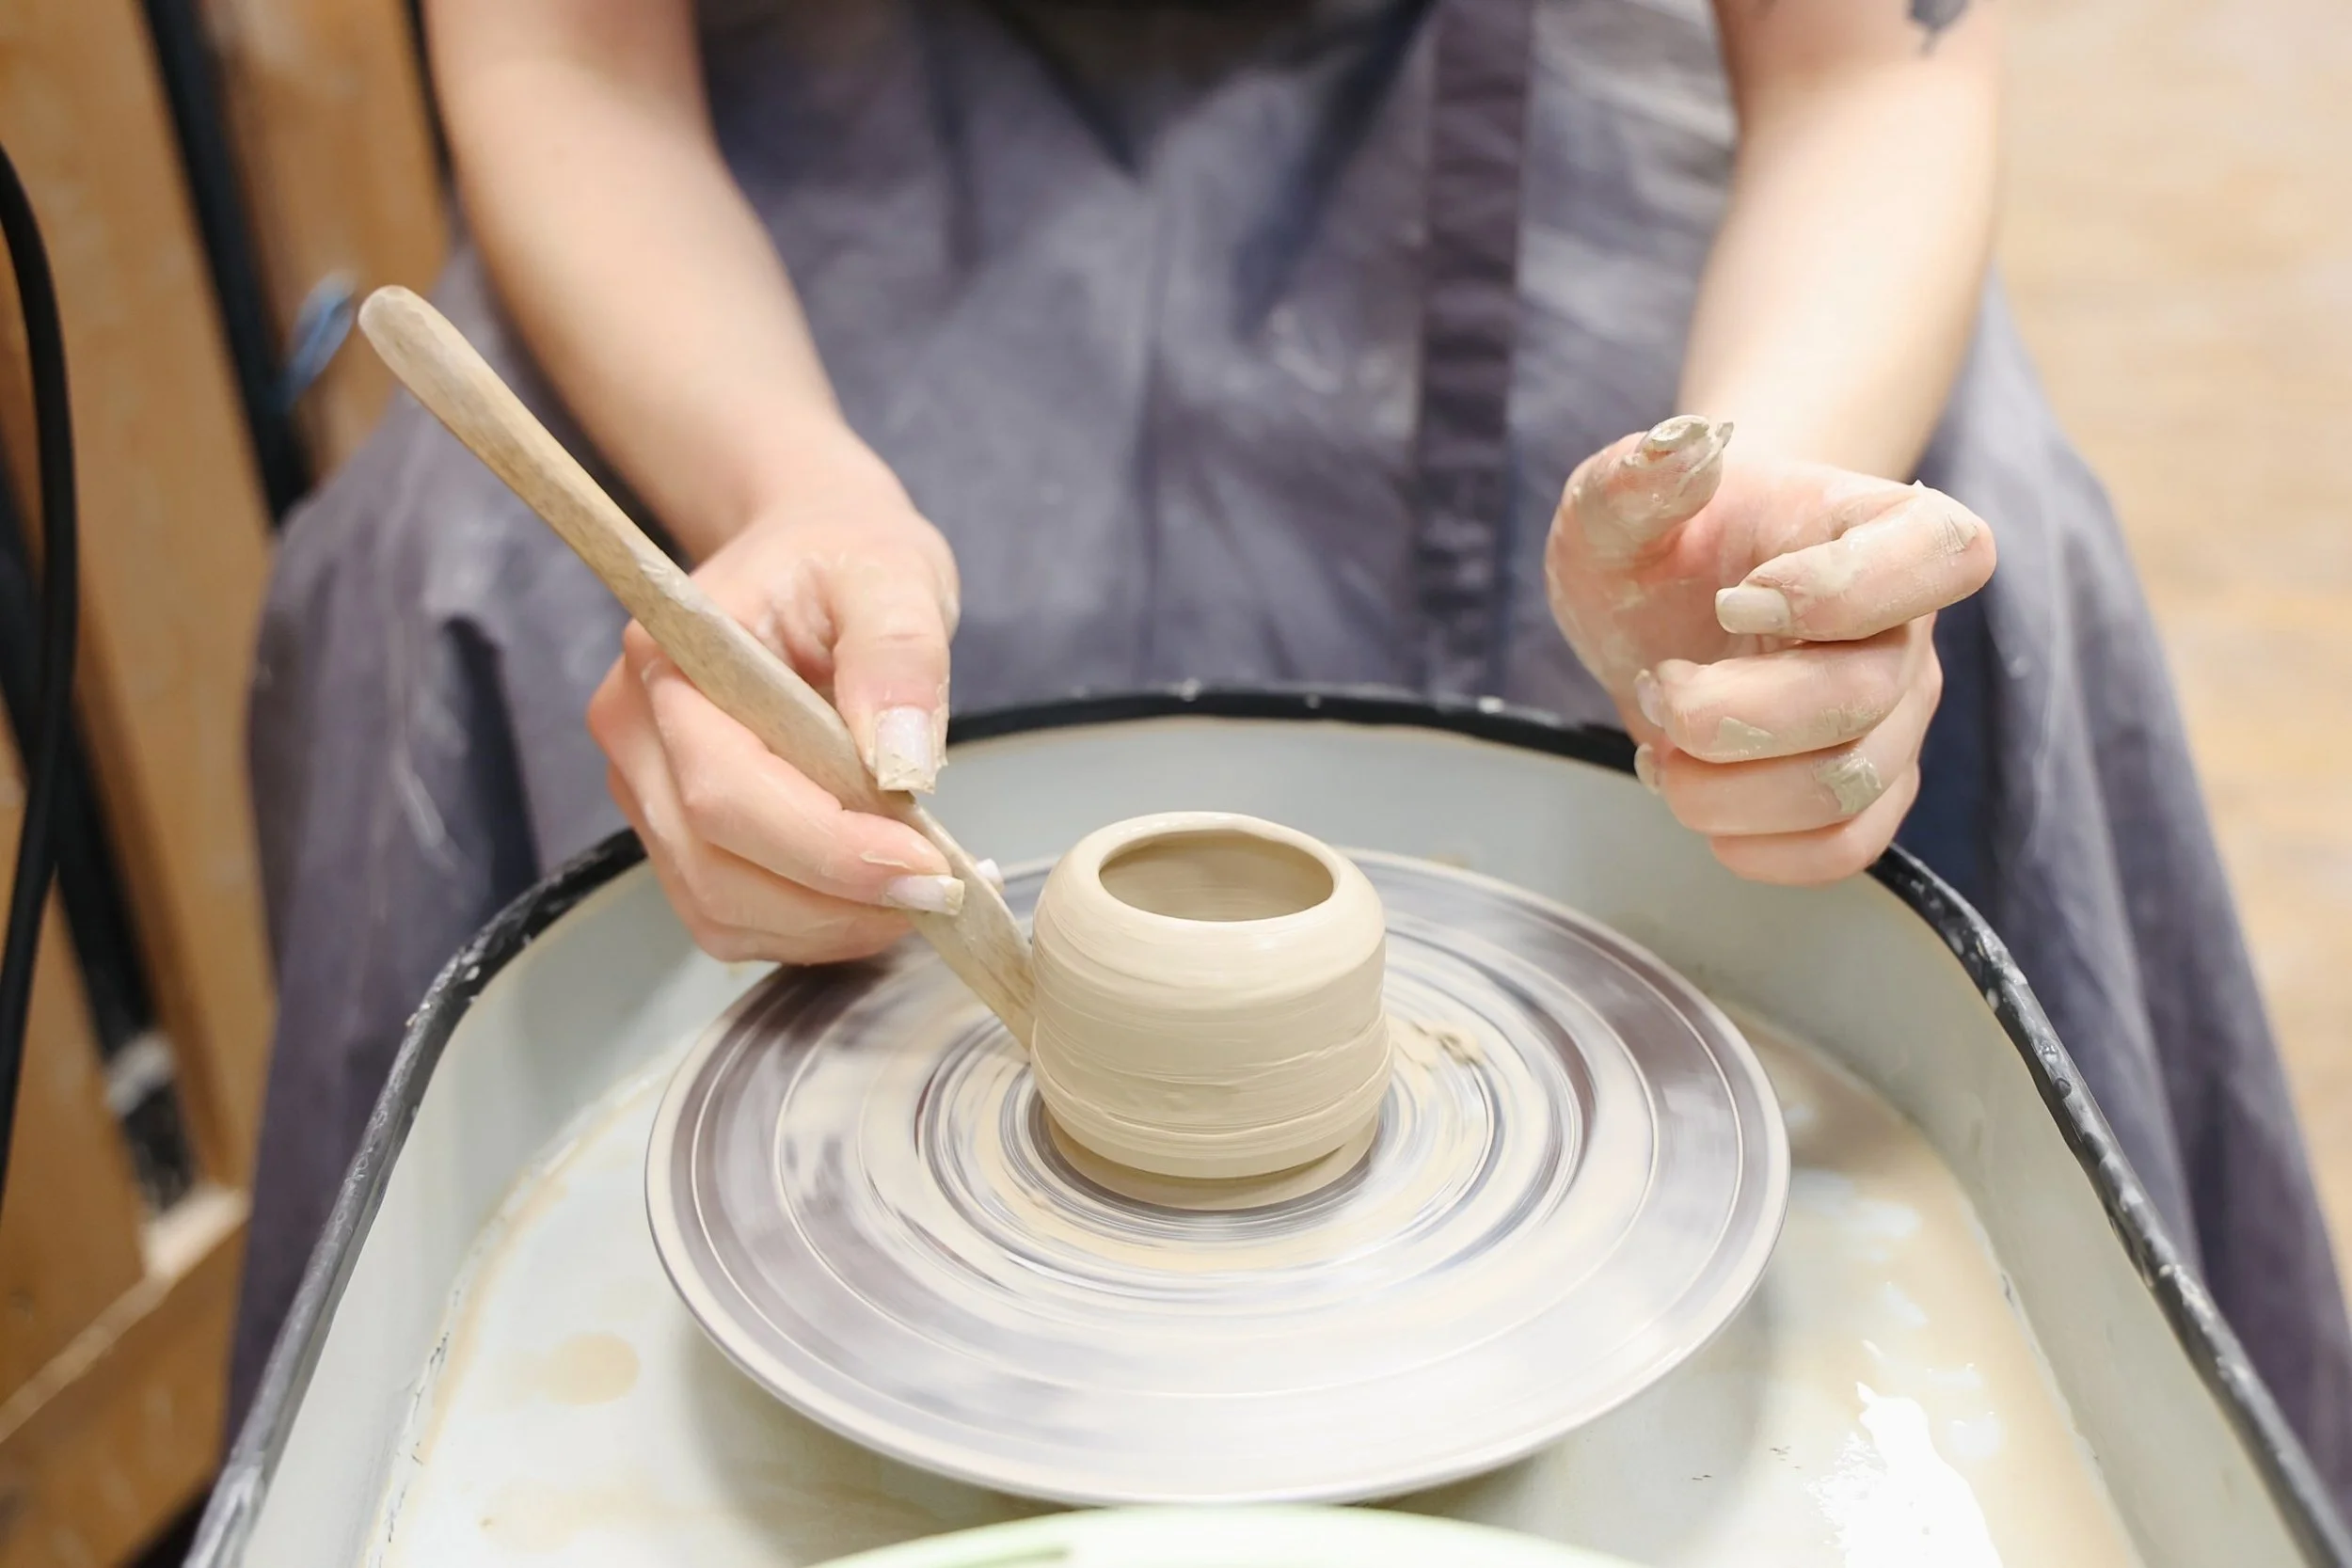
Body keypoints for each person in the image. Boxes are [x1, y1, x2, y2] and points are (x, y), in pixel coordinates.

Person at [234, 0, 2352, 1509]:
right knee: (443, 579)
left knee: (1972, 542)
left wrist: (1747, 518)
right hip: (821, 120)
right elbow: (557, 52)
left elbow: (1868, 59)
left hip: (1521, 88)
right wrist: (766, 490)